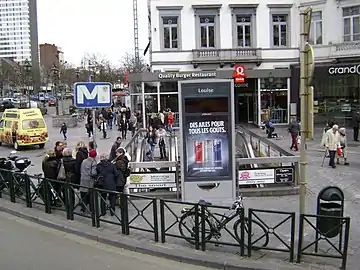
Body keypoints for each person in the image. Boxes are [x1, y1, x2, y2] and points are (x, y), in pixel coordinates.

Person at [79, 149, 98, 214]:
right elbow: (93, 173)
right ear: (95, 156)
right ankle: (92, 210)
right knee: (90, 196)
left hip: (83, 180)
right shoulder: (93, 162)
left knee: (83, 195)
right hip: (89, 181)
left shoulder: (84, 161)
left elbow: (81, 170)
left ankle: (83, 209)